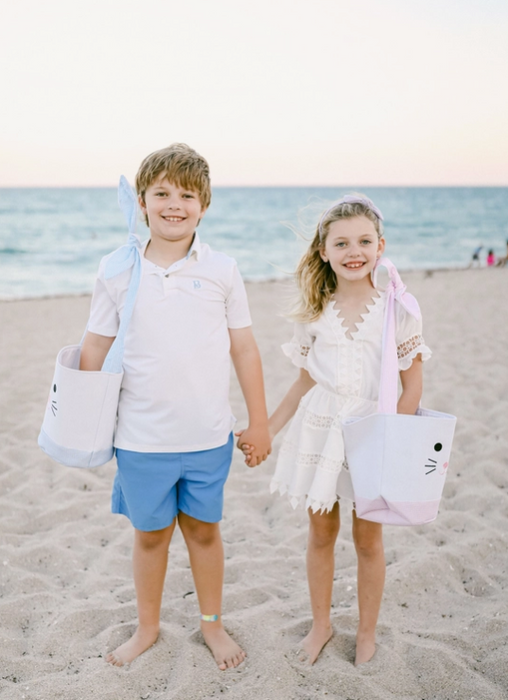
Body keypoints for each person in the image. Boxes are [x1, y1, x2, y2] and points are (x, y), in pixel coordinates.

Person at [80, 143, 271, 669]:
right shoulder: (117, 269)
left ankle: (212, 625)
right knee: (150, 537)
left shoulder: (222, 269)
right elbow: (94, 346)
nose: (174, 204)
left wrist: (259, 421)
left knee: (205, 534)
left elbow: (244, 347)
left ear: (203, 205)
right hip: (140, 439)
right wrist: (81, 419)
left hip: (209, 437)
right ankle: (148, 627)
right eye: (161, 192)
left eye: (187, 195)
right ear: (142, 201)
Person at [241, 194, 431, 666]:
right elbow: (303, 383)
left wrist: (391, 443)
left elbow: (413, 387)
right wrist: (265, 429)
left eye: (364, 241)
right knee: (321, 532)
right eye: (341, 242)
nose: (354, 251)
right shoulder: (315, 311)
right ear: (324, 251)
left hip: (374, 432)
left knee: (368, 539)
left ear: (381, 246)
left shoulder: (398, 310)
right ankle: (321, 625)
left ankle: (366, 633)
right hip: (321, 433)